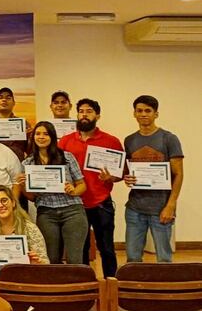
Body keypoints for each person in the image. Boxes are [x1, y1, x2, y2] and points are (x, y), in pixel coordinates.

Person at [58, 98, 123, 277]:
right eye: (81, 111)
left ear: (97, 115)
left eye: (89, 111)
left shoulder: (112, 141)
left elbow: (121, 173)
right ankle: (87, 286)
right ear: (77, 114)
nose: (84, 114)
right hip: (75, 203)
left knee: (107, 248)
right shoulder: (65, 141)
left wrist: (112, 177)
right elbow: (57, 169)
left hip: (101, 202)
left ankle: (111, 285)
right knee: (81, 249)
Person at [122, 95, 184, 263]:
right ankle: (135, 288)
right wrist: (127, 179)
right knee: (133, 258)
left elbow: (178, 174)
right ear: (134, 113)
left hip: (161, 208)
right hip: (135, 208)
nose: (143, 114)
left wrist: (171, 205)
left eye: (148, 111)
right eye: (139, 110)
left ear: (156, 114)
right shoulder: (129, 140)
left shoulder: (169, 139)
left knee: (164, 258)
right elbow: (127, 171)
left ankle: (164, 289)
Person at [18, 122, 88, 264]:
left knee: (74, 259)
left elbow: (82, 185)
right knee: (51, 258)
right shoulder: (27, 164)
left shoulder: (67, 157)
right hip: (46, 213)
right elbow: (32, 197)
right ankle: (56, 286)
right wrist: (23, 185)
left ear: (52, 137)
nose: (41, 137)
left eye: (46, 134)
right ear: (33, 137)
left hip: (72, 210)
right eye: (38, 134)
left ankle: (76, 286)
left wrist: (73, 190)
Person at [0, 186, 49, 280]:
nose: (0, 205)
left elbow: (45, 262)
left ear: (13, 203)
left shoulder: (29, 227)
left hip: (23, 272)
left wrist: (36, 262)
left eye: (4, 200)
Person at [0, 87, 29, 162]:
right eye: (0, 97)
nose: (4, 100)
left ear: (14, 103)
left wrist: (29, 138)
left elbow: (31, 150)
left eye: (8, 98)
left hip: (17, 167)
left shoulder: (24, 124)